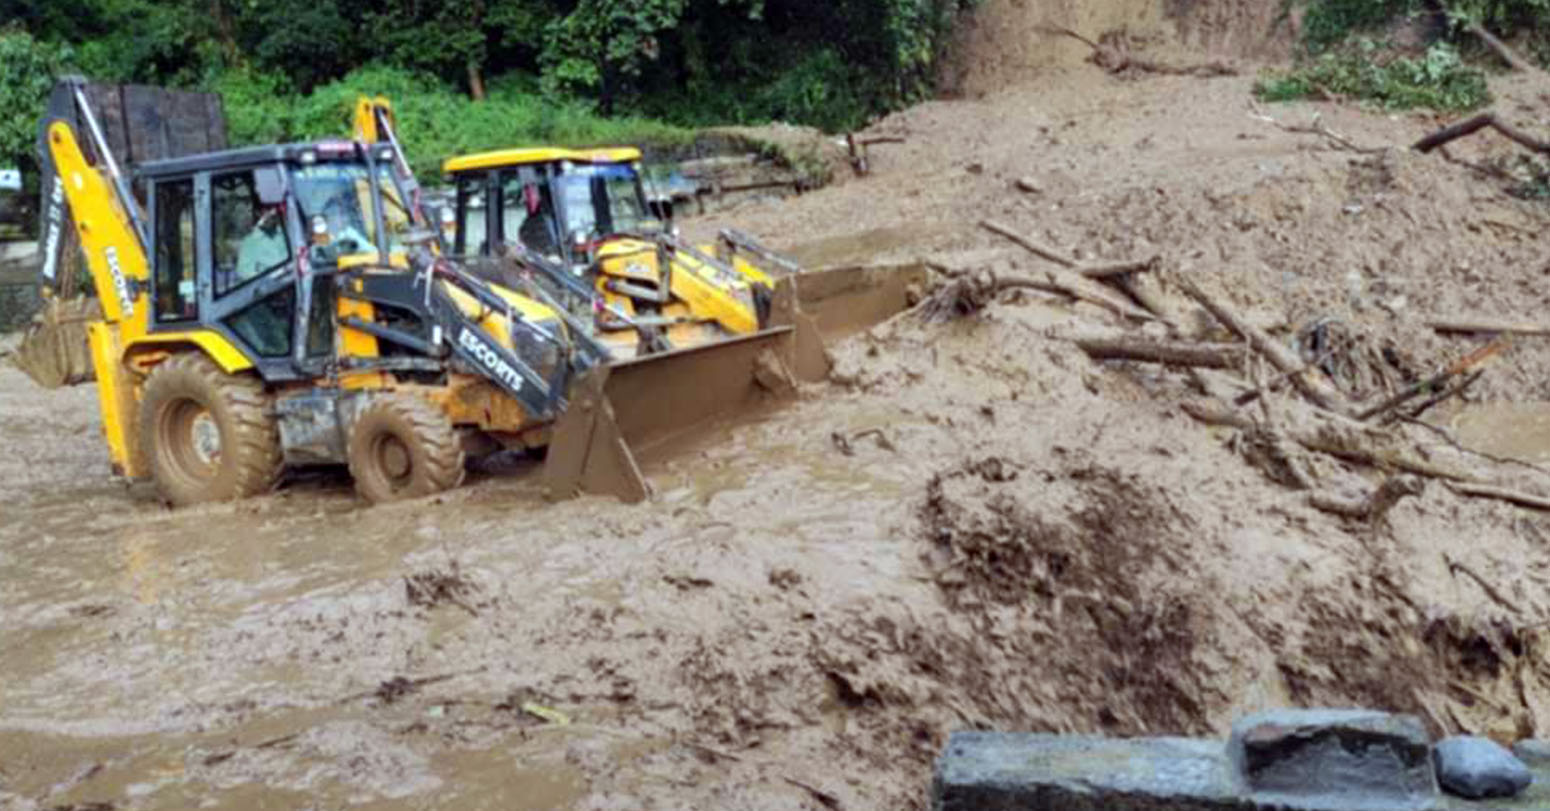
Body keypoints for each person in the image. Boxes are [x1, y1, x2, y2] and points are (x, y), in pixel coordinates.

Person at [234, 205, 289, 285]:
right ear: (258, 214)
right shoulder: (249, 242)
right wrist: (268, 277)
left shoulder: (285, 233)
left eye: (270, 211)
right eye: (263, 212)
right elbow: (244, 273)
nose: (268, 215)